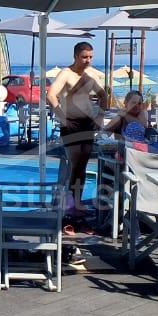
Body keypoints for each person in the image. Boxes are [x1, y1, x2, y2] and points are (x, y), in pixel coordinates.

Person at [47, 42, 108, 209]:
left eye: (90, 57)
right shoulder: (66, 74)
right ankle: (70, 205)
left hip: (87, 123)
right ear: (75, 56)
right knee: (75, 165)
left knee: (82, 166)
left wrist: (100, 116)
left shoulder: (91, 74)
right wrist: (62, 117)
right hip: (71, 124)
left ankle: (76, 203)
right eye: (84, 57)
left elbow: (103, 95)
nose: (88, 60)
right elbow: (51, 95)